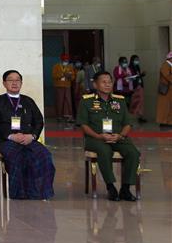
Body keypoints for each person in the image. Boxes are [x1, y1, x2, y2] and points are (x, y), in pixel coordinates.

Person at [0, 70, 55, 200]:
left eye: (17, 80)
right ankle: (20, 193)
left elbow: (39, 121)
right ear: (4, 83)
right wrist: (11, 136)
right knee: (17, 156)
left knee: (44, 155)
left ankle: (41, 191)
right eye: (10, 80)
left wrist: (32, 136)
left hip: (28, 139)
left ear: (21, 83)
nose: (14, 83)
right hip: (8, 141)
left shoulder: (28, 101)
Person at [77, 70, 140, 201]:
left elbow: (128, 123)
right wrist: (99, 136)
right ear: (95, 85)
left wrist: (120, 136)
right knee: (104, 150)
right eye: (103, 82)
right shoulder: (86, 101)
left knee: (133, 152)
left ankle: (126, 189)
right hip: (95, 138)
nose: (107, 85)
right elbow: (83, 125)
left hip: (118, 137)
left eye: (110, 82)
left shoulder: (120, 101)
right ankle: (110, 187)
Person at [51, 53, 75, 123]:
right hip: (59, 86)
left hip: (67, 86)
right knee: (60, 101)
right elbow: (54, 76)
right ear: (61, 60)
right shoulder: (56, 66)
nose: (66, 61)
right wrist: (62, 74)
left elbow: (73, 77)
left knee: (68, 101)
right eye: (65, 60)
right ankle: (59, 116)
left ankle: (70, 116)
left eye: (67, 60)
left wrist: (69, 76)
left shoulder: (70, 67)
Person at [128, 54, 147, 123]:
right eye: (136, 60)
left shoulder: (137, 67)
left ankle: (140, 116)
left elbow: (138, 76)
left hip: (140, 85)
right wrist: (140, 75)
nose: (137, 61)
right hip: (134, 86)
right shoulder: (130, 67)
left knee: (141, 101)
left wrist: (141, 75)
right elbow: (131, 77)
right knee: (134, 101)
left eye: (138, 60)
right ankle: (132, 116)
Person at [158, 51, 172, 129]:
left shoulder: (169, 65)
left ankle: (169, 121)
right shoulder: (165, 65)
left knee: (169, 106)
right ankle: (163, 121)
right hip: (166, 90)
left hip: (169, 90)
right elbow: (167, 75)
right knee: (164, 107)